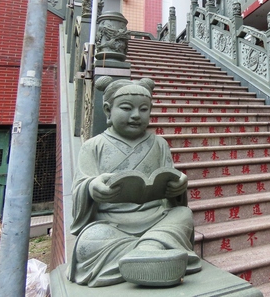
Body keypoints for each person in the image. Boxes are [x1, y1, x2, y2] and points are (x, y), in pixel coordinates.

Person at [68, 77, 201, 287]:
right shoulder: (93, 146)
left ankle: (145, 251)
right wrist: (91, 187)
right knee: (90, 239)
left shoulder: (160, 144)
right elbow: (79, 187)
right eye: (126, 108)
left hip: (156, 219)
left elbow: (171, 181)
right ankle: (153, 251)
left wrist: (178, 188)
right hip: (113, 224)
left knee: (183, 214)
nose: (136, 115)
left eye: (144, 109)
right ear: (108, 110)